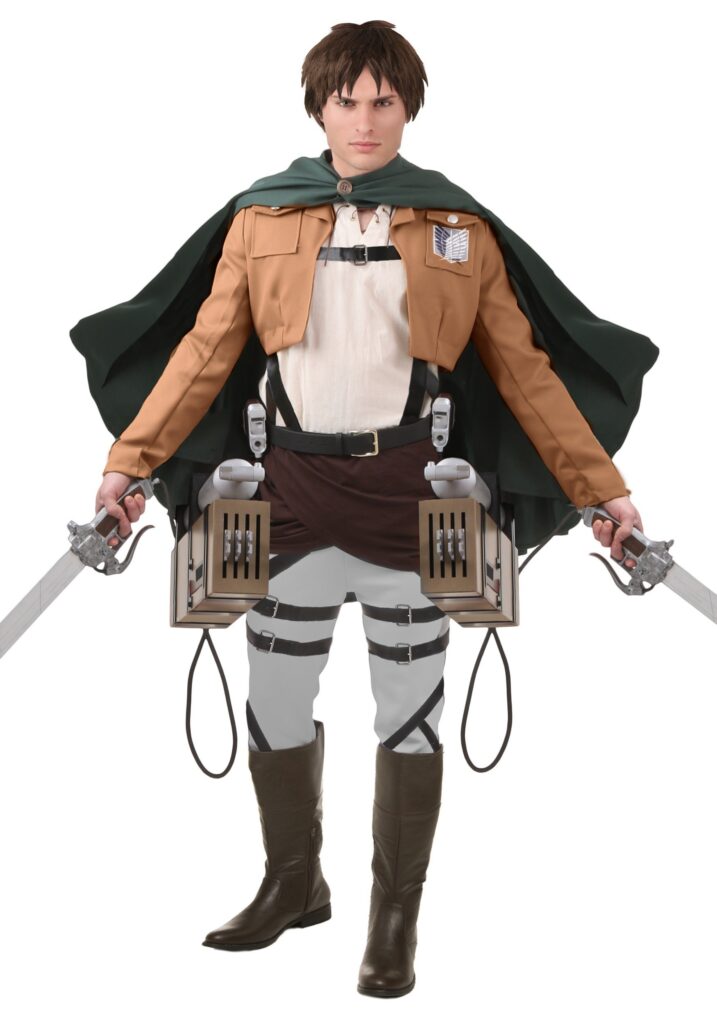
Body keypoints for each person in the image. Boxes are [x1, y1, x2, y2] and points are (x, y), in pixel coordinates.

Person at [89, 21, 648, 998]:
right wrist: (128, 465)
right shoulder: (263, 218)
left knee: (410, 714)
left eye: (381, 101)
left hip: (410, 503)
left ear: (406, 108)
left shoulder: (456, 227)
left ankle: (395, 919)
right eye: (345, 100)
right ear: (318, 107)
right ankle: (292, 883)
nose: (363, 119)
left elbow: (524, 372)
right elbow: (204, 356)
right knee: (274, 699)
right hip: (287, 499)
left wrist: (602, 489)